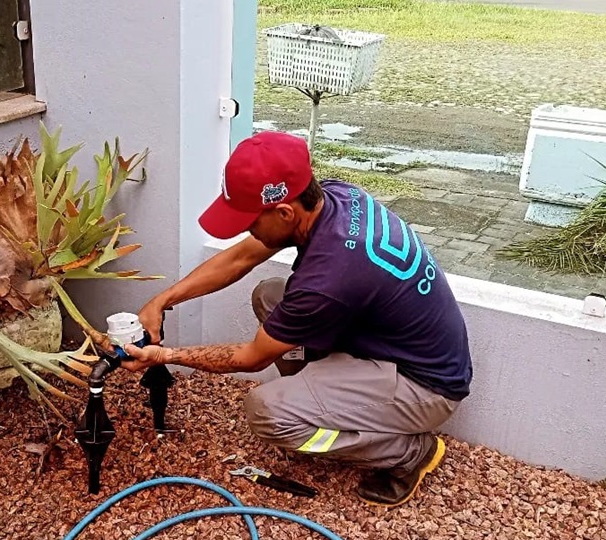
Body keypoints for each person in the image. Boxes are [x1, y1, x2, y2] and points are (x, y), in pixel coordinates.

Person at [120, 131, 473, 508]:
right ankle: (320, 399)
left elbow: (249, 358)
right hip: (394, 347)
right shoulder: (333, 196)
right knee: (271, 295)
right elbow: (242, 258)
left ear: (285, 212)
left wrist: (165, 356)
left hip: (424, 388)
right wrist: (164, 298)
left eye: (249, 222)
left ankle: (408, 453)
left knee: (267, 412)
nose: (246, 231)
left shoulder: (329, 279)